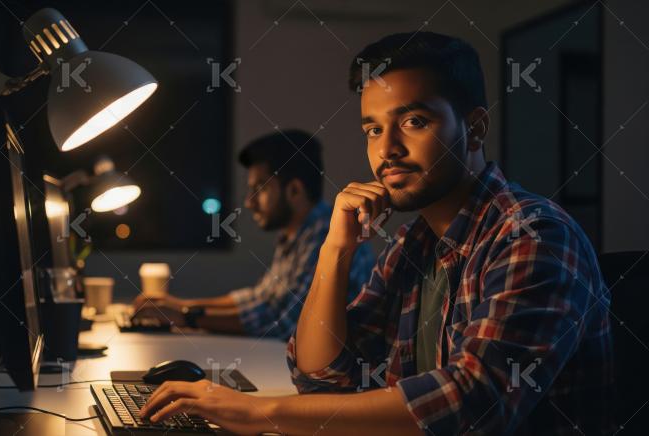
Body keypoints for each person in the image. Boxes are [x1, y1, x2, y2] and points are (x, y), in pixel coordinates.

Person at [137, 31, 615, 435]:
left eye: (413, 121)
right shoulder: (414, 244)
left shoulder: (532, 236)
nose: (387, 150)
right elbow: (322, 376)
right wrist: (335, 249)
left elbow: (474, 403)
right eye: (372, 129)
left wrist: (261, 411)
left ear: (474, 129)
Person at [131, 130, 375, 340]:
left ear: (294, 190)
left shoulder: (325, 236)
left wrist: (185, 317)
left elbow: (283, 326)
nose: (249, 202)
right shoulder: (298, 234)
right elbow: (262, 299)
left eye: (260, 188)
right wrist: (179, 305)